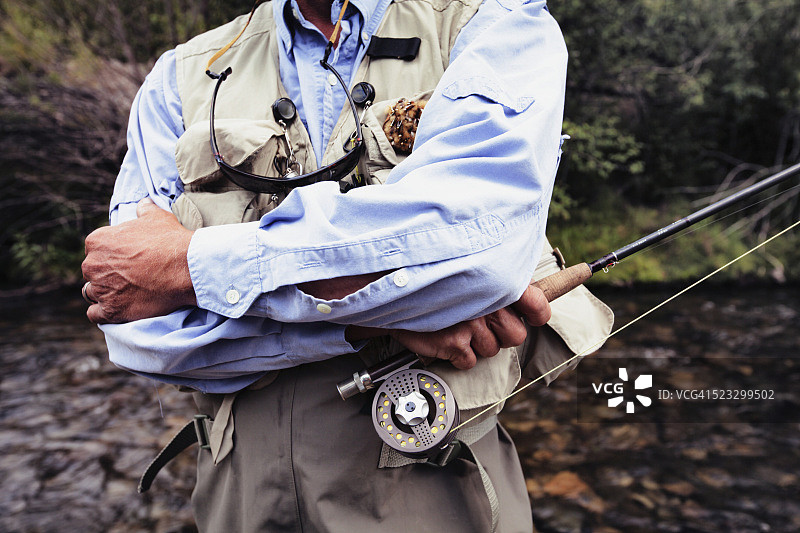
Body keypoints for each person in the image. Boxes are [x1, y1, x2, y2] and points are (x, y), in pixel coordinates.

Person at [82, 0, 613, 530]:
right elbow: (132, 321)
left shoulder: (498, 22)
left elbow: (481, 255)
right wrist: (376, 319)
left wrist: (186, 268)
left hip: (442, 495)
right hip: (240, 506)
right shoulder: (176, 78)